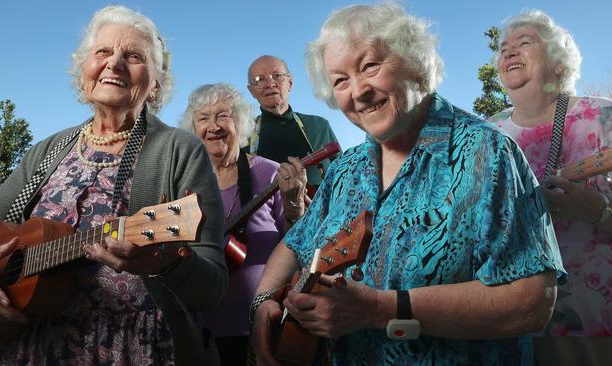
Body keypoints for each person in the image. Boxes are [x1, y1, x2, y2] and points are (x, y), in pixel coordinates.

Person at [249, 4, 566, 365]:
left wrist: (377, 309)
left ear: (413, 61)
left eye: (370, 66)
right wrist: (263, 303)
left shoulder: (488, 152)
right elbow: (294, 244)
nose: (359, 91)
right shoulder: (345, 169)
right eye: (340, 80)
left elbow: (533, 301)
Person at [0, 6, 226, 365]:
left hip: (134, 351)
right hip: (26, 350)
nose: (115, 64)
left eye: (133, 56)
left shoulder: (180, 149)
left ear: (155, 84)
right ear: (84, 71)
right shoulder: (47, 151)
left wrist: (166, 263)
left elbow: (213, 287)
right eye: (103, 52)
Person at [489, 10, 612, 366]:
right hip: (505, 327)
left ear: (558, 62)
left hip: (599, 325)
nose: (508, 52)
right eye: (503, 48)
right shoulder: (486, 134)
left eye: (525, 43)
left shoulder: (604, 117)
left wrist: (594, 208)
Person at [179, 83, 307, 365]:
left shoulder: (271, 173)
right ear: (193, 128)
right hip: (200, 330)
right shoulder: (183, 183)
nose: (214, 126)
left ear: (241, 122)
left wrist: (294, 207)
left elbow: (300, 246)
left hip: (262, 325)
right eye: (203, 118)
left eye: (223, 116)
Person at [246, 54, 339, 190]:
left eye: (277, 76)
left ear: (290, 83)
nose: (270, 84)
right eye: (259, 80)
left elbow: (344, 176)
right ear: (251, 91)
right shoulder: (242, 134)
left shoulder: (319, 126)